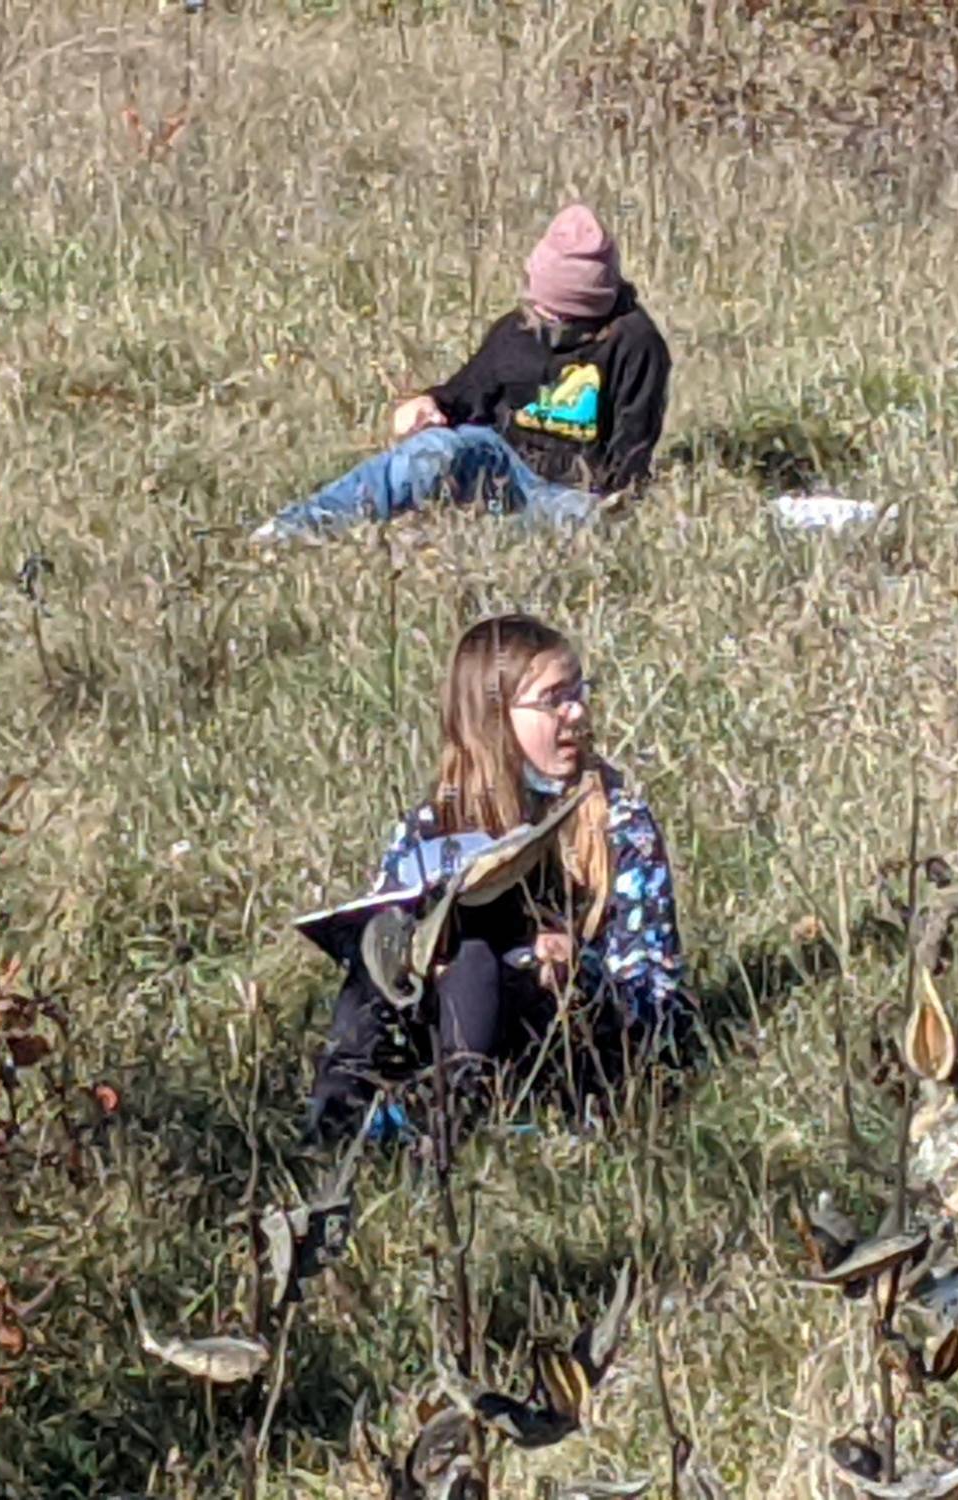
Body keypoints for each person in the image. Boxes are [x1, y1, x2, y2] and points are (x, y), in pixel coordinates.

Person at [304, 614, 685, 1141]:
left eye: (579, 692)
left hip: (572, 1037)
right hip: (443, 1020)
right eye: (554, 699)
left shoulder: (619, 822)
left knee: (482, 951)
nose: (577, 713)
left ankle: (453, 1113)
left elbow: (661, 1003)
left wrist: (582, 971)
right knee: (393, 954)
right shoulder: (431, 828)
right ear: (494, 717)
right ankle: (337, 1118)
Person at [255, 205, 672, 543]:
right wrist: (430, 405)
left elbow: (632, 447)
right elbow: (469, 391)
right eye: (539, 306)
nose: (542, 319)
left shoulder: (636, 344)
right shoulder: (519, 327)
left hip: (574, 491)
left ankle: (441, 542)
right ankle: (297, 527)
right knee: (433, 451)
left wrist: (609, 503)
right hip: (503, 459)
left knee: (580, 527)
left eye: (558, 314)